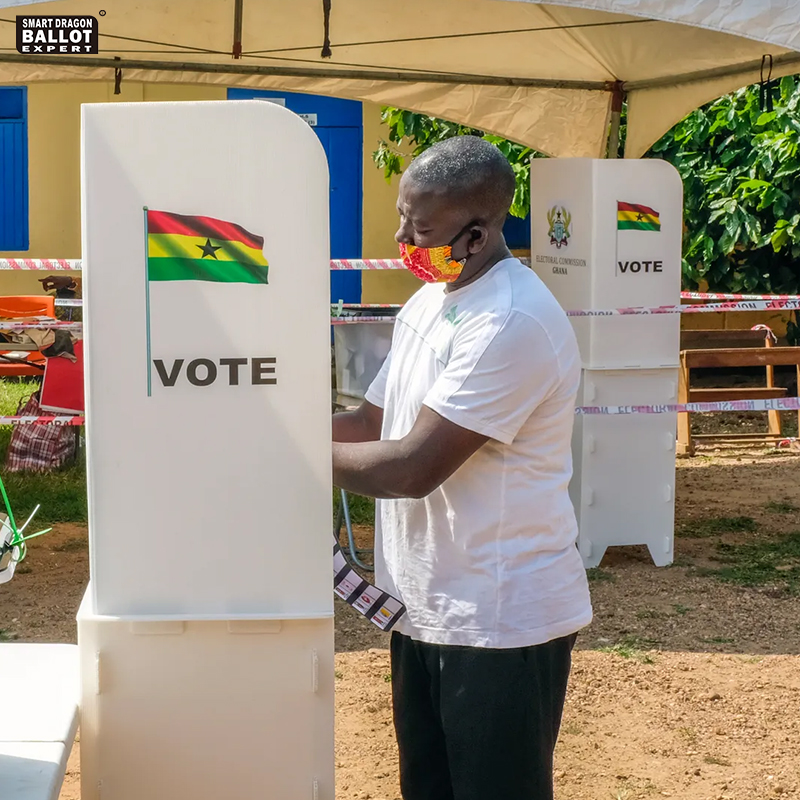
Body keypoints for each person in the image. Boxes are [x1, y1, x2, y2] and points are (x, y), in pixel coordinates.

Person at [332, 135, 592, 800]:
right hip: (424, 606)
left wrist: (280, 460)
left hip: (498, 619)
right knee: (430, 786)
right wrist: (260, 434)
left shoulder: (510, 320)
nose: (401, 238)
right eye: (401, 217)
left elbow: (412, 466)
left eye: (420, 229)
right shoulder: (432, 300)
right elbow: (372, 425)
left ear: (475, 236)